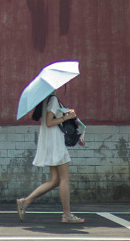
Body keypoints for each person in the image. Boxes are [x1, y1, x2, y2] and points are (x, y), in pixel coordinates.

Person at [16, 93, 85, 224]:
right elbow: (49, 122)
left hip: (50, 141)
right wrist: (68, 117)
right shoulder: (52, 99)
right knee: (65, 178)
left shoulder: (45, 100)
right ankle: (67, 215)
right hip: (55, 142)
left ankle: (25, 202)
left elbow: (50, 120)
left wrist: (65, 115)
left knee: (55, 180)